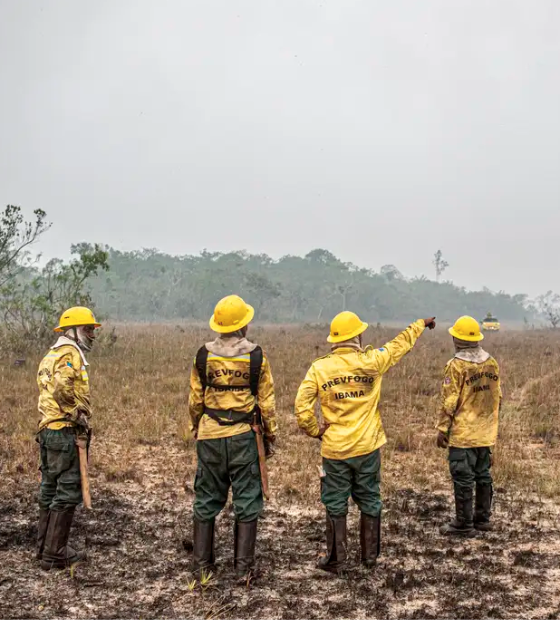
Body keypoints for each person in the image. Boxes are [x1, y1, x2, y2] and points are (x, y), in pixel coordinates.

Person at [294, 311, 436, 574]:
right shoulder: (373, 361)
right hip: (368, 447)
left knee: (335, 502)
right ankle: (370, 558)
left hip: (335, 450)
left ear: (334, 340)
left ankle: (337, 559)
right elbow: (398, 345)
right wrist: (420, 324)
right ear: (358, 336)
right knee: (370, 498)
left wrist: (315, 430)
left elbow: (301, 407)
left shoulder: (320, 368)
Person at [188, 295, 277, 580]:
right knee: (247, 499)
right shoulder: (257, 356)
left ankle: (202, 566)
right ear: (244, 325)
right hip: (244, 436)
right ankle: (244, 569)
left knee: (206, 498)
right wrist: (270, 435)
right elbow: (267, 402)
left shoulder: (203, 355)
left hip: (209, 436)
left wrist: (196, 427)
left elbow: (195, 401)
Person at [36, 306, 101, 570]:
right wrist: (77, 414)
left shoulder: (50, 355)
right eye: (87, 329)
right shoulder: (69, 354)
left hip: (48, 431)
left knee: (49, 488)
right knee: (67, 490)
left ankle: (44, 549)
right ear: (72, 331)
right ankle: (56, 552)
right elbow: (63, 387)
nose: (92, 335)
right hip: (64, 431)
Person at [436, 316, 501, 536]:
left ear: (456, 338)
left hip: (463, 435)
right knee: (483, 475)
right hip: (485, 433)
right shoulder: (491, 363)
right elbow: (497, 397)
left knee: (463, 478)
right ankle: (482, 519)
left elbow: (450, 401)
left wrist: (443, 429)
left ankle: (463, 525)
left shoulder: (456, 366)